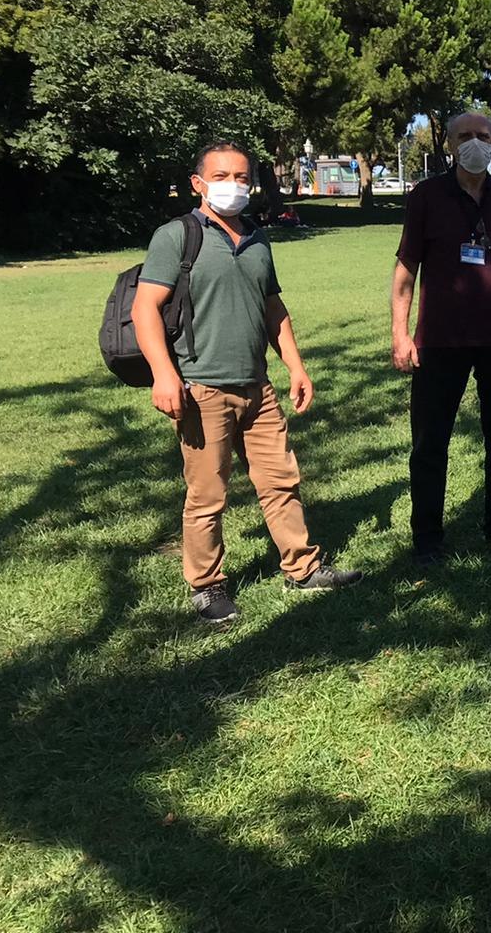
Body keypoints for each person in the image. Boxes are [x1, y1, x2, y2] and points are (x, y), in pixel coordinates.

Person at [133, 142, 362, 625]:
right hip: (201, 388)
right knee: (207, 495)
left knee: (281, 481)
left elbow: (273, 308)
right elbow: (145, 308)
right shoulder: (177, 237)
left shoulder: (258, 237)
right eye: (221, 176)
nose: (233, 186)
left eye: (241, 177)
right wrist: (164, 374)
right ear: (197, 183)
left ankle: (302, 568)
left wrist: (296, 367)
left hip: (258, 387)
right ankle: (207, 586)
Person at [391, 113, 491, 568]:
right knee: (429, 444)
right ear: (449, 144)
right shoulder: (426, 197)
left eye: (483, 136)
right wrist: (400, 333)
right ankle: (427, 539)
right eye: (465, 136)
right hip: (440, 340)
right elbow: (406, 268)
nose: (474, 143)